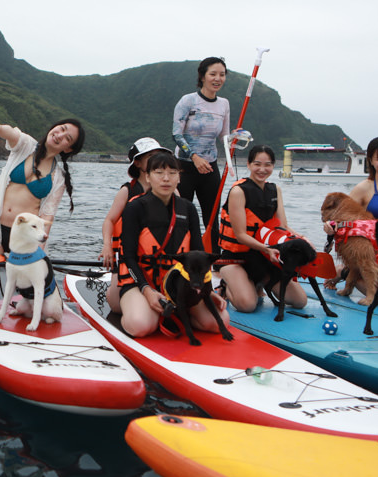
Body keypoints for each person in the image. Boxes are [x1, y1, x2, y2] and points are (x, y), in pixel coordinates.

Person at [0, 103, 85, 303]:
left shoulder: (59, 178)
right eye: (61, 129)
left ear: (68, 148)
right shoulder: (26, 145)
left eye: (67, 138)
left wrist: (39, 251)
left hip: (24, 237)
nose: (60, 135)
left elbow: (47, 217)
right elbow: (10, 133)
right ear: (55, 127)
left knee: (31, 291)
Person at [115, 150, 230, 337]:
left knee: (219, 322)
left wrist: (206, 290)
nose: (166, 179)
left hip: (178, 284)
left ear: (179, 178)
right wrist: (146, 290)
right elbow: (127, 256)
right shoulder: (135, 208)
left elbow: (199, 254)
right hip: (141, 282)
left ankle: (178, 312)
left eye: (172, 173)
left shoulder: (188, 208)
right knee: (141, 325)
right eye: (159, 173)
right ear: (149, 177)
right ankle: (134, 309)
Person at [216, 145, 309, 313]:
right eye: (257, 164)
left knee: (300, 301)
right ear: (249, 164)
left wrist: (301, 239)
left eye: (268, 165)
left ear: (274, 166)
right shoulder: (238, 191)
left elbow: (283, 226)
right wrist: (267, 249)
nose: (262, 169)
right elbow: (240, 235)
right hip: (236, 258)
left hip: (264, 258)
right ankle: (226, 286)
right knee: (248, 305)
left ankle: (258, 283)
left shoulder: (275, 190)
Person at [100, 137, 169, 312]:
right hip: (128, 256)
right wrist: (107, 246)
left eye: (159, 155)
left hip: (158, 257)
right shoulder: (127, 191)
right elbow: (109, 220)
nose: (157, 160)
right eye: (151, 156)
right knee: (115, 306)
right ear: (137, 163)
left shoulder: (169, 190)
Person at [172, 57, 231, 243]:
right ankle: (179, 258)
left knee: (212, 218)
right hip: (185, 166)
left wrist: (234, 139)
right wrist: (194, 157)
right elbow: (176, 135)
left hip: (210, 167)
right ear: (203, 76)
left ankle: (214, 260)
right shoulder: (188, 101)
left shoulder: (224, 104)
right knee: (182, 215)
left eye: (222, 75)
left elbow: (224, 136)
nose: (217, 78)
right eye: (213, 74)